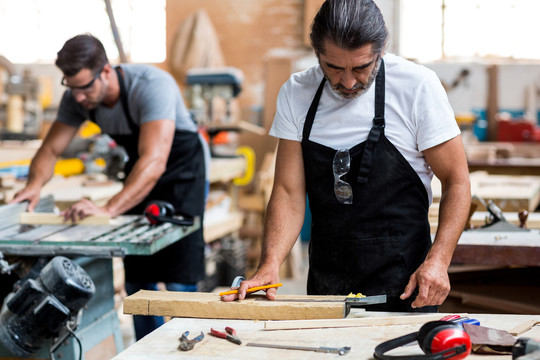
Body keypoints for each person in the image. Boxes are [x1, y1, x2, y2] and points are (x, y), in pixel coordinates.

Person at [222, 0, 471, 312]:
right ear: (317, 54)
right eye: (334, 68)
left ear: (382, 51)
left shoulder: (417, 87)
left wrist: (438, 260)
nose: (349, 82)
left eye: (361, 67)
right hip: (327, 286)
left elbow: (457, 181)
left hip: (408, 285)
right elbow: (287, 191)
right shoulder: (297, 93)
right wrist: (269, 265)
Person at [11, 34, 207, 338]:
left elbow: (155, 161)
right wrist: (33, 186)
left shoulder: (152, 85)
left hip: (181, 172)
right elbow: (50, 150)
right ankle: (149, 350)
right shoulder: (78, 96)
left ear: (106, 71)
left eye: (84, 87)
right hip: (139, 172)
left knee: (180, 274)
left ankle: (191, 344)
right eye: (70, 87)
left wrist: (106, 208)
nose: (77, 97)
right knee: (139, 278)